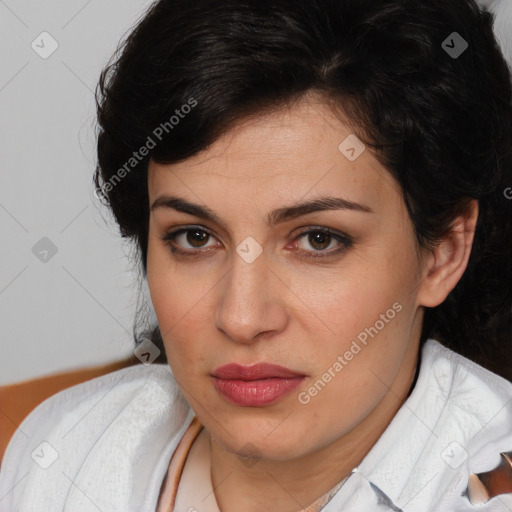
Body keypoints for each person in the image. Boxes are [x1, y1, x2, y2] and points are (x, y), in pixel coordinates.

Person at [1, 0, 512, 510]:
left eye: (317, 239)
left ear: (443, 253)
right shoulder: (65, 451)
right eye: (195, 237)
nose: (241, 318)